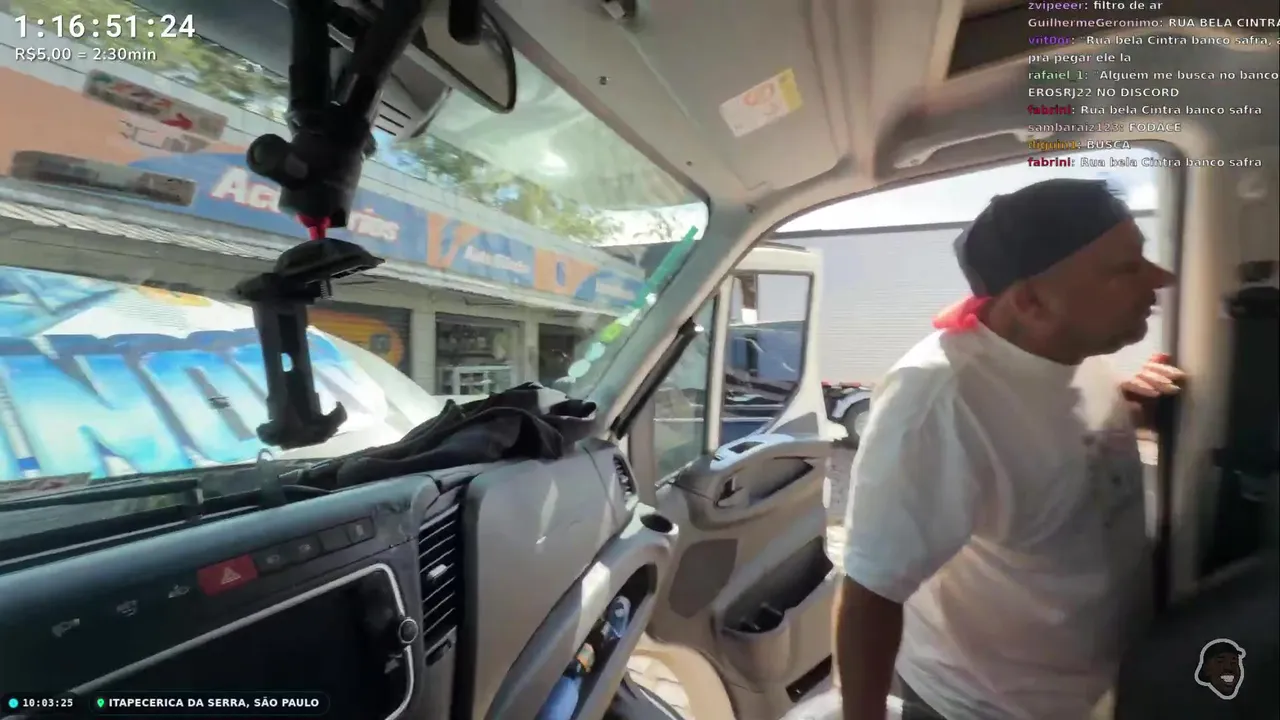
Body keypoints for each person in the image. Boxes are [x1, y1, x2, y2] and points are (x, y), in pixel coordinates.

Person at [833, 179, 1183, 720]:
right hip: (988, 709)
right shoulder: (940, 400)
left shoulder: (1073, 349)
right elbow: (870, 593)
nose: (1162, 278)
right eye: (1126, 268)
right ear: (1030, 301)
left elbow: (1042, 441)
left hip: (1098, 693)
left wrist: (1134, 408)